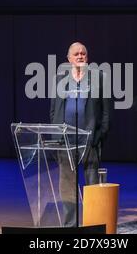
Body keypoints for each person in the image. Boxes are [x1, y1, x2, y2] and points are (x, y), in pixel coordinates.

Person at [49, 41, 110, 227]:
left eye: (83, 53)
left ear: (87, 57)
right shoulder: (60, 80)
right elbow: (53, 110)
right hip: (65, 141)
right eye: (76, 54)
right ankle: (70, 226)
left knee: (91, 186)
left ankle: (92, 225)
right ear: (68, 59)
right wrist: (56, 134)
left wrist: (99, 136)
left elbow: (106, 112)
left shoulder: (99, 78)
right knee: (67, 187)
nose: (80, 56)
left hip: (89, 142)